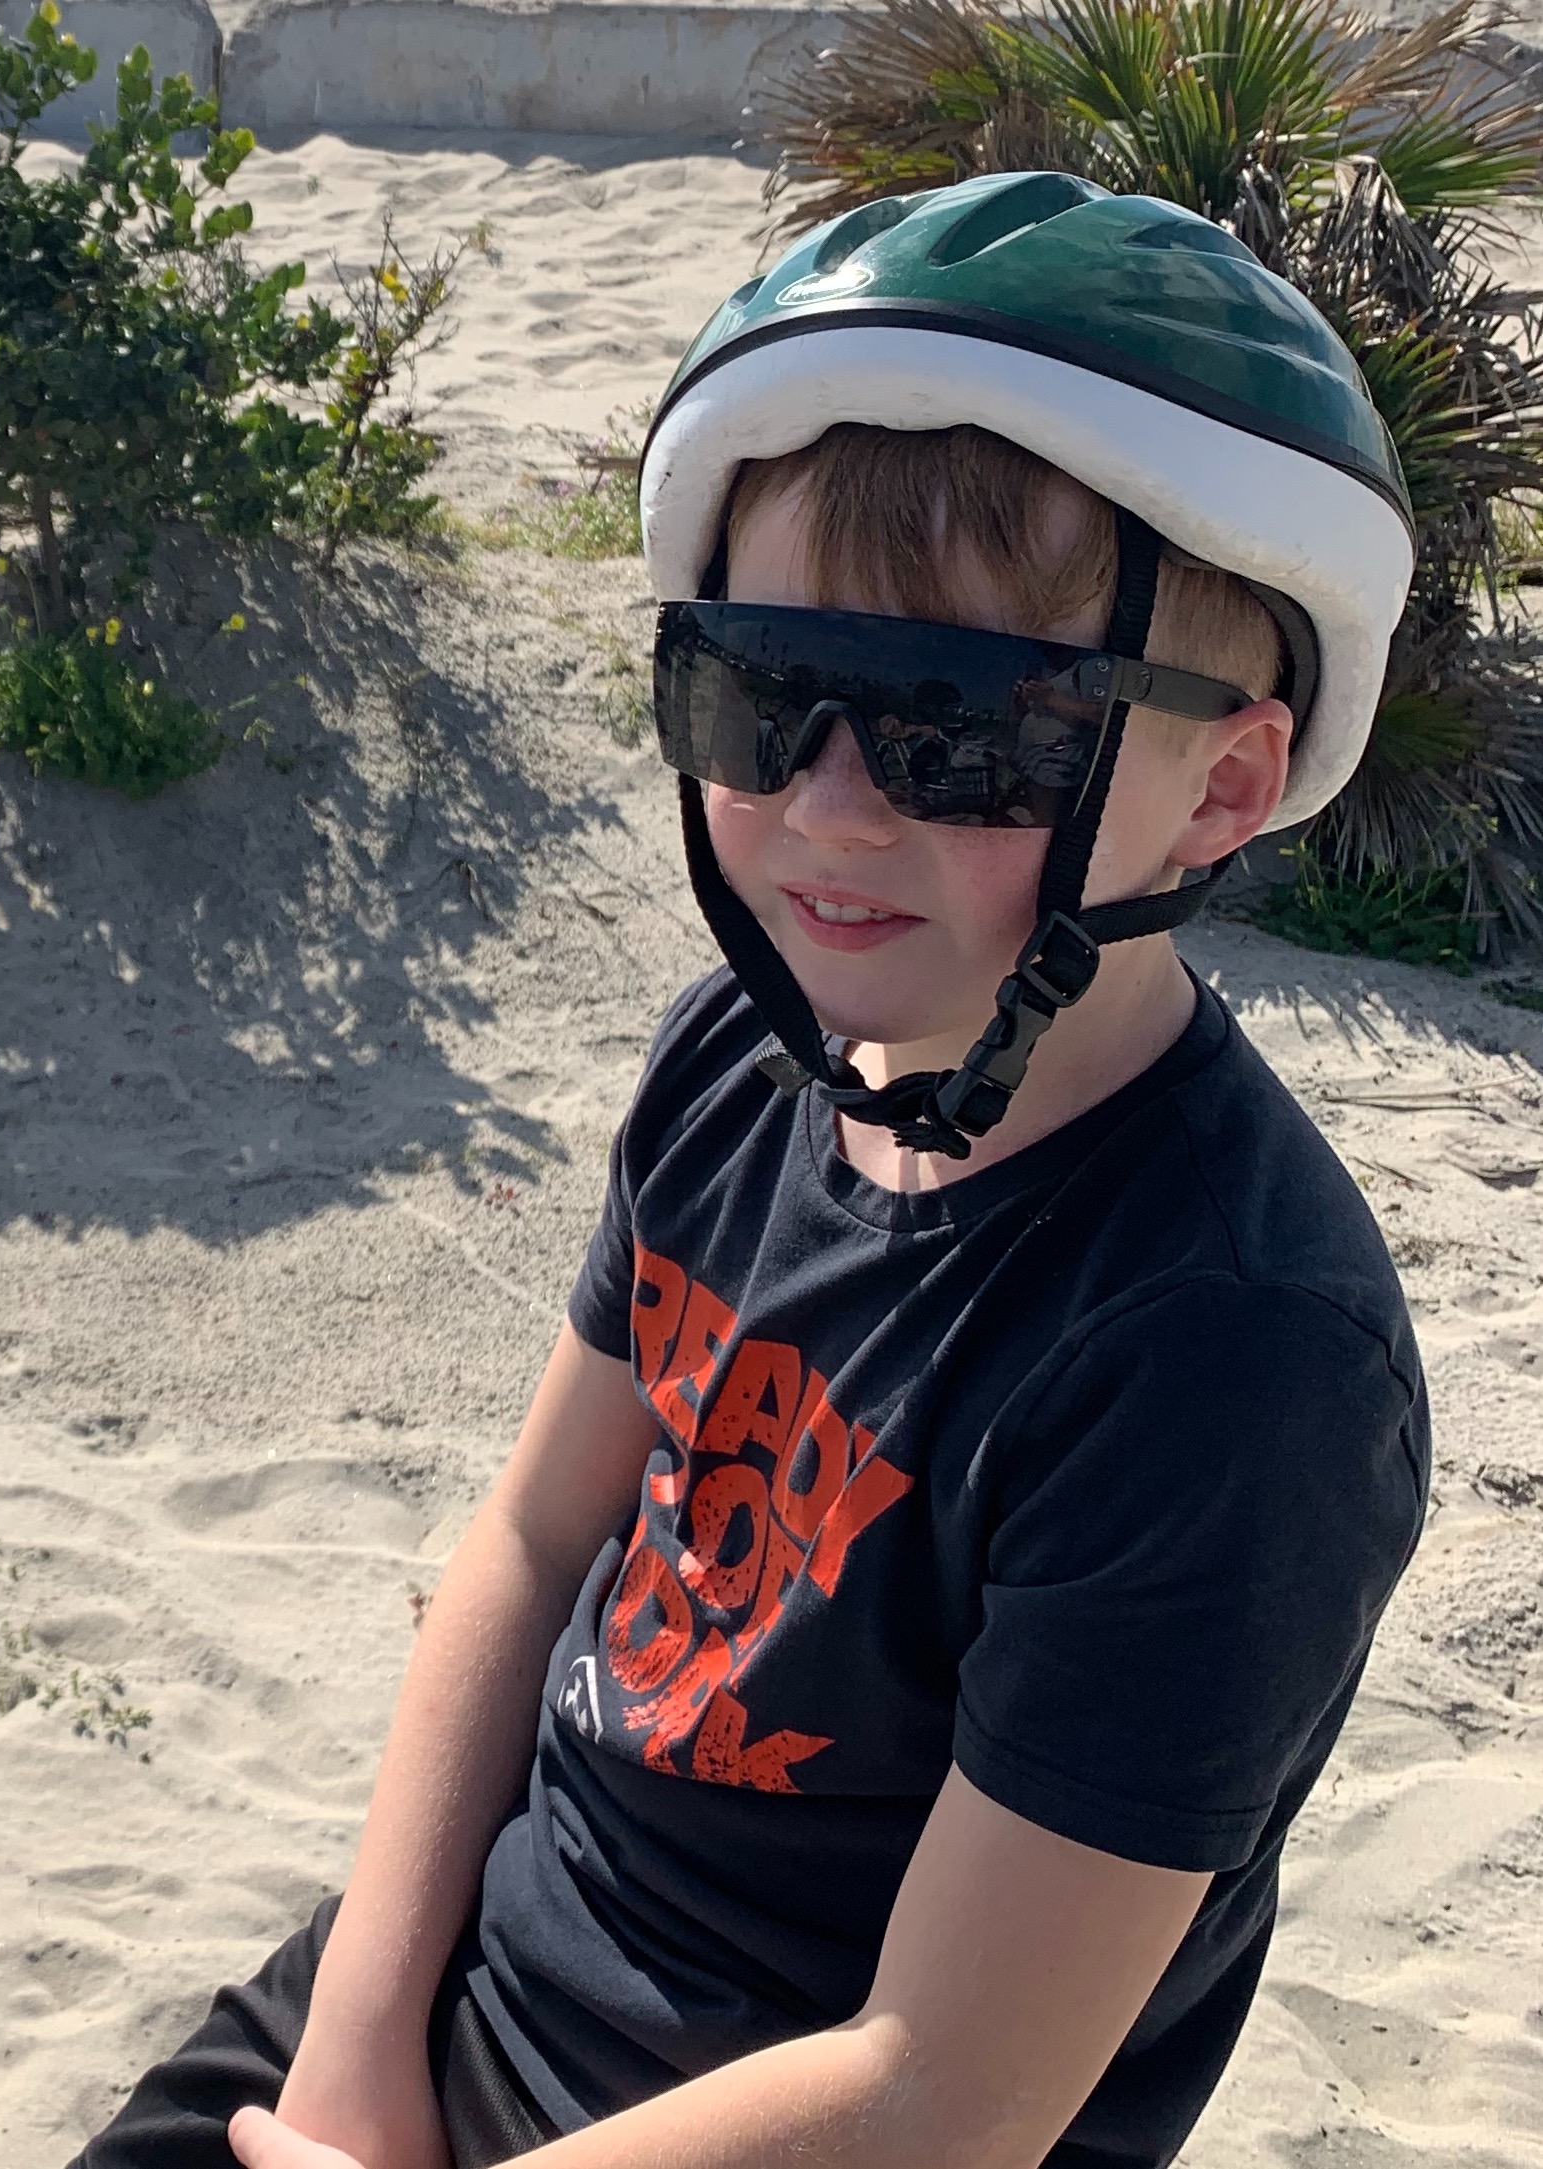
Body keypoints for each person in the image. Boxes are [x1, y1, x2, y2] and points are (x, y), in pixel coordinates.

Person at [74, 172, 1432, 2169]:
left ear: (1222, 782)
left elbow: (942, 2088)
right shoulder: (735, 1060)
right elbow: (533, 1539)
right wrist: (358, 2044)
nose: (830, 806)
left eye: (966, 732)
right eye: (761, 688)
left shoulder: (1234, 1356)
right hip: (472, 1981)